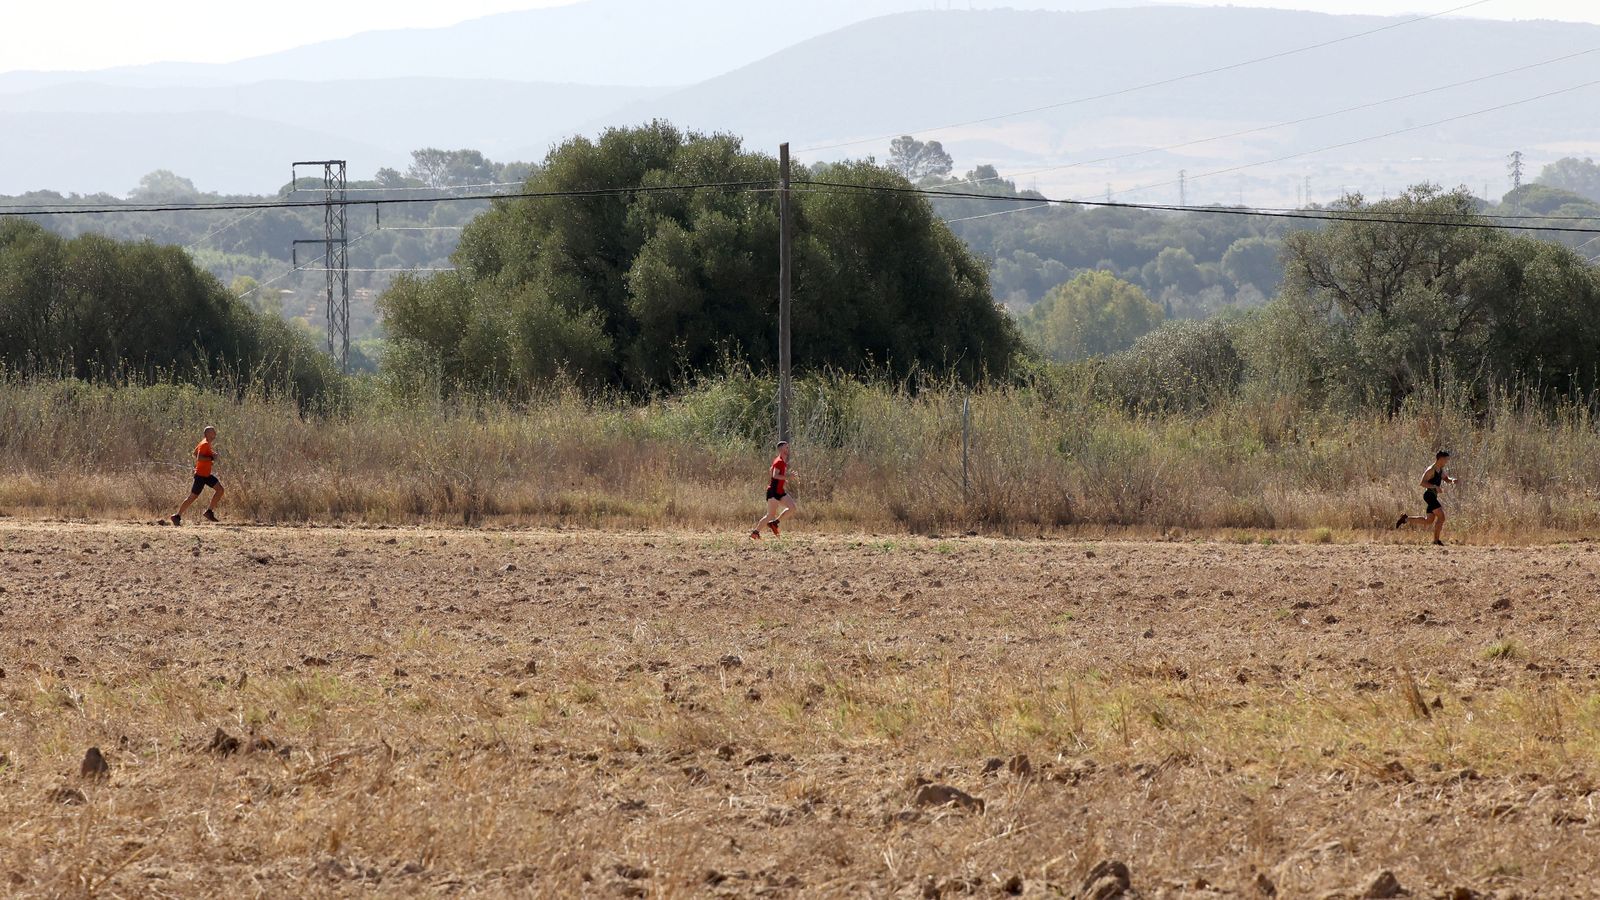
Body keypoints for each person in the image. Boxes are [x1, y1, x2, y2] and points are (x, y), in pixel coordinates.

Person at [1395, 450, 1455, 546]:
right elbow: (1422, 483)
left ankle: (1405, 519)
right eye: (1446, 460)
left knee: (1429, 521)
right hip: (1429, 496)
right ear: (1440, 459)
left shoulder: (1440, 470)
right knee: (1442, 517)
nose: (1446, 462)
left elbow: (1447, 479)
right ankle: (1436, 541)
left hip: (1433, 496)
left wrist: (1453, 481)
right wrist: (1435, 486)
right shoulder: (1431, 470)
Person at [171, 426, 224, 525]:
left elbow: (195, 453)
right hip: (200, 476)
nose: (215, 434)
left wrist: (209, 456)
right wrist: (211, 458)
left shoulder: (205, 443)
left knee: (220, 490)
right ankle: (176, 516)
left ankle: (209, 512)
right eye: (213, 432)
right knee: (192, 497)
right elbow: (199, 457)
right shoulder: (204, 444)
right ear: (208, 434)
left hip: (206, 475)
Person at [750, 441, 795, 540]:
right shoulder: (779, 461)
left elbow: (771, 470)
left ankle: (775, 523)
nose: (788, 449)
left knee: (792, 507)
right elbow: (774, 475)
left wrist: (784, 480)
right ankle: (755, 533)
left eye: (788, 447)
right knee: (770, 515)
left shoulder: (782, 461)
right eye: (786, 447)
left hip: (780, 491)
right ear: (781, 449)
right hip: (773, 492)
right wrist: (787, 476)